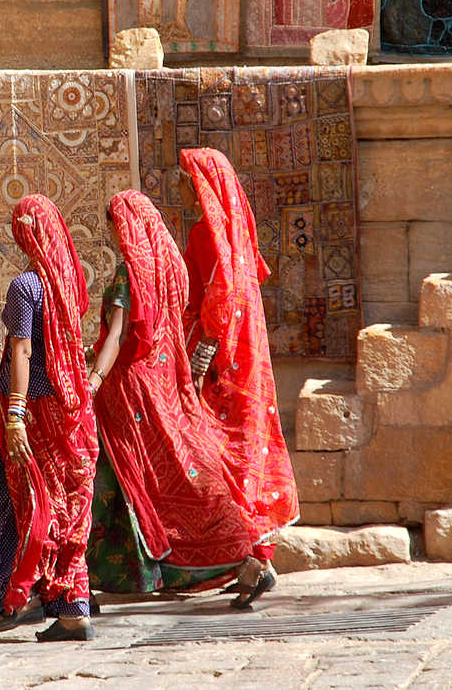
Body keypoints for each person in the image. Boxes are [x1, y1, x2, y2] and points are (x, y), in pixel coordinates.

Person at [84, 189, 266, 603]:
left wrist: (94, 378)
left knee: (133, 480)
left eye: (113, 226)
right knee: (179, 473)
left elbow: (117, 336)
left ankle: (240, 558)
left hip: (130, 393)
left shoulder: (128, 275)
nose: (112, 235)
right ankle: (238, 558)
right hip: (167, 382)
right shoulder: (169, 270)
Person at [0, 194, 98, 642]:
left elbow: (22, 350)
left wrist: (16, 416)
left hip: (36, 409)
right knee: (66, 504)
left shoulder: (26, 287)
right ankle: (70, 605)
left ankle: (23, 595)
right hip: (72, 411)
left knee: (31, 502)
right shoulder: (70, 283)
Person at [178, 148, 300, 607]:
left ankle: (250, 560)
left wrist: (198, 361)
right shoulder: (238, 238)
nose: (188, 192)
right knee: (251, 449)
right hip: (250, 362)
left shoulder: (205, 236)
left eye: (192, 183)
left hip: (222, 367)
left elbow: (217, 300)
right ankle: (258, 557)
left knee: (217, 457)